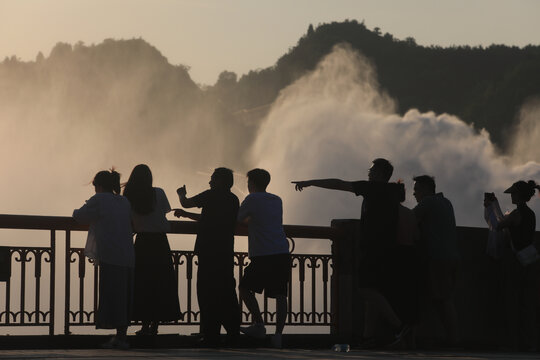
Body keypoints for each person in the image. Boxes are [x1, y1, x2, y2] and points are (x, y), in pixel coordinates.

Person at [293, 158, 409, 347]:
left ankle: (399, 326)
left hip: (373, 248)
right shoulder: (393, 192)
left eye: (371, 170)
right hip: (389, 248)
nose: (368, 173)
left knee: (366, 289)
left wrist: (310, 182)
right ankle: (367, 336)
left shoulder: (372, 188)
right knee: (374, 291)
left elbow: (338, 184)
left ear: (380, 174)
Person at [174, 167, 241, 347]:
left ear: (219, 181)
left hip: (208, 251)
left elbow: (186, 202)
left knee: (207, 292)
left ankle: (211, 334)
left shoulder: (211, 195)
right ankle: (233, 331)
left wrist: (181, 194)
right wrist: (188, 216)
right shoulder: (234, 199)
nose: (210, 182)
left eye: (212, 179)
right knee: (226, 291)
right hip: (225, 251)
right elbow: (210, 218)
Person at [73, 169, 134, 350]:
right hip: (128, 255)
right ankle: (121, 336)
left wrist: (81, 207)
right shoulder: (123, 201)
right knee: (124, 296)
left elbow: (79, 216)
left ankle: (120, 339)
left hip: (111, 255)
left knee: (113, 294)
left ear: (99, 186)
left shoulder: (99, 200)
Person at [123, 164, 181, 336]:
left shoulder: (129, 196)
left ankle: (145, 325)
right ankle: (155, 325)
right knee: (160, 284)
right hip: (160, 243)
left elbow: (129, 221)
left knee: (143, 284)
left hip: (142, 243)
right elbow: (164, 212)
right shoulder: (159, 192)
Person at [237, 169, 291, 349]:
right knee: (281, 294)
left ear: (251, 183)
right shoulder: (277, 199)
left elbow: (238, 219)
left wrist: (249, 220)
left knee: (244, 287)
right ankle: (278, 335)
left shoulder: (251, 199)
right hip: (281, 251)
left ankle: (259, 324)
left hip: (263, 253)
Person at [412, 175, 459, 346]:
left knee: (442, 299)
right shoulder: (446, 202)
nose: (414, 193)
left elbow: (409, 219)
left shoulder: (428, 202)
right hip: (450, 256)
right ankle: (451, 338)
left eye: (416, 189)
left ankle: (452, 340)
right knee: (442, 298)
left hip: (437, 257)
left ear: (425, 189)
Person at [494, 180, 540, 351]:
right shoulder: (531, 214)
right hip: (531, 260)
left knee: (513, 301)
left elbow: (499, 225)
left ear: (519, 195)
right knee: (528, 304)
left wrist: (493, 208)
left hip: (516, 262)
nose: (511, 196)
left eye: (513, 193)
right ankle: (531, 342)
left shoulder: (516, 213)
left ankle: (514, 342)